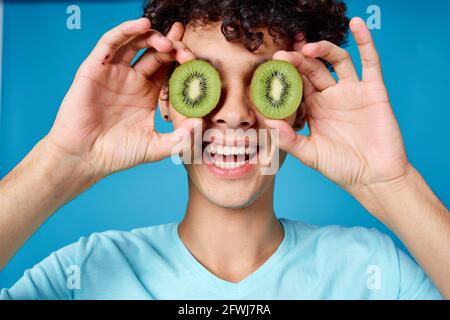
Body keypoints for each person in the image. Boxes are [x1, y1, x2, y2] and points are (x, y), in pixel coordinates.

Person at [0, 0, 448, 299]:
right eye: (204, 84)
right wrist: (61, 161)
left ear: (298, 107)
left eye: (265, 82)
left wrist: (391, 184)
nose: (234, 114)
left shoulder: (373, 274)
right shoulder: (84, 275)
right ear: (168, 99)